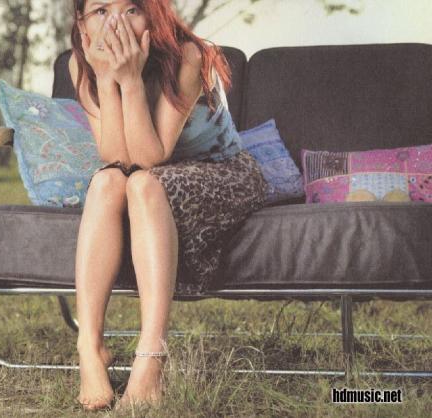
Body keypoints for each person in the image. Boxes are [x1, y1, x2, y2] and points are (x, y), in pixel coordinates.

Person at [69, 0, 269, 411]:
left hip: (220, 171)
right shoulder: (81, 63)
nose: (116, 23)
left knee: (143, 184)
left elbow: (148, 157)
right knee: (105, 182)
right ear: (82, 22)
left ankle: (151, 357)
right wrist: (106, 78)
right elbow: (116, 156)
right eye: (101, 10)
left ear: (153, 13)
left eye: (131, 9)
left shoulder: (187, 56)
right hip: (150, 175)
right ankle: (89, 347)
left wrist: (129, 81)